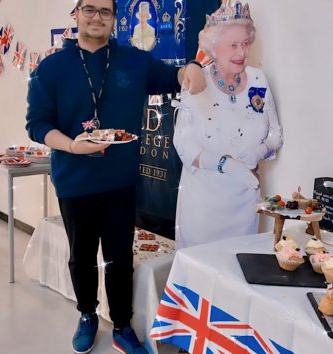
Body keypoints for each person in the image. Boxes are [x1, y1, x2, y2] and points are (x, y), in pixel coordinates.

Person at [25, 0, 206, 353]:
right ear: (75, 14)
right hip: (74, 180)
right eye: (89, 9)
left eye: (105, 12)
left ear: (114, 20)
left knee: (119, 257)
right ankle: (88, 314)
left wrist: (193, 69)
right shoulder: (51, 68)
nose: (97, 17)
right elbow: (37, 124)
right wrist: (73, 147)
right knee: (81, 255)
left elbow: (173, 76)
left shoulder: (134, 61)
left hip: (120, 181)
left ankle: (122, 324)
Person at [173, 0, 283, 250]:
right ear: (214, 47)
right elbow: (182, 143)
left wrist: (258, 151)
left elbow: (275, 134)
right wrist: (225, 165)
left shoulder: (258, 79)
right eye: (233, 45)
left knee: (237, 271)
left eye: (246, 44)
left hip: (245, 201)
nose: (242, 52)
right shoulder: (197, 80)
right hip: (202, 205)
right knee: (202, 274)